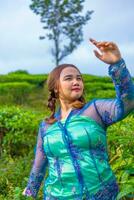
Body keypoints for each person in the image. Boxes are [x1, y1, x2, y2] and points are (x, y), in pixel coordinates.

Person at [23, 39, 134, 200]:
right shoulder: (46, 126)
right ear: (55, 87)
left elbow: (128, 103)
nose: (76, 82)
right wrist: (29, 193)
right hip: (55, 196)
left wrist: (117, 65)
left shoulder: (95, 110)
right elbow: (39, 164)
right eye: (69, 78)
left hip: (101, 194)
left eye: (79, 78)